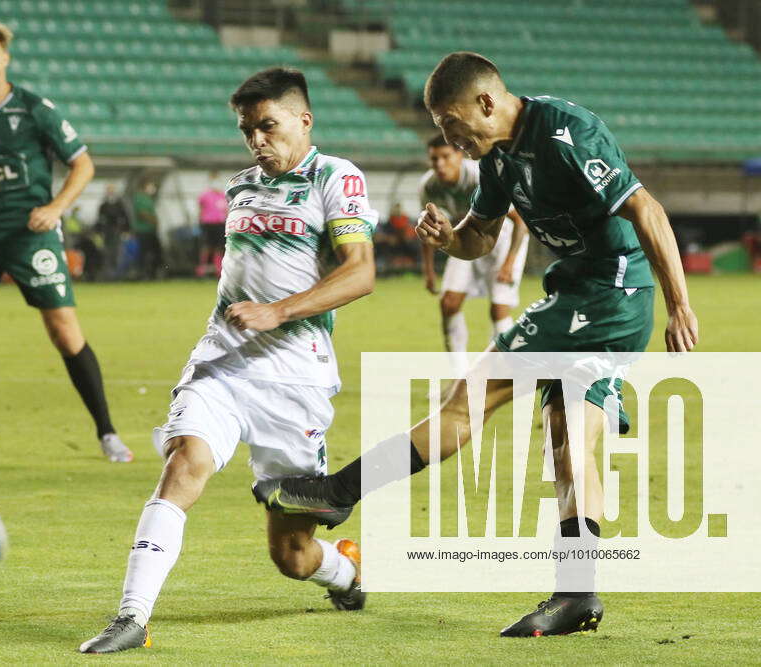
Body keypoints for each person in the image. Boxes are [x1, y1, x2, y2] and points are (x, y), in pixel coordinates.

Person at [254, 52, 698, 637]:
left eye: (449, 122)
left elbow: (645, 208)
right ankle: (577, 595)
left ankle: (337, 493)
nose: (447, 137)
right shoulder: (497, 159)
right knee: (568, 440)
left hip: (606, 294)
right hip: (593, 295)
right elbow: (480, 239)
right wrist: (448, 240)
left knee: (469, 402)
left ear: (486, 103)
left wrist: (680, 304)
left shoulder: (566, 133)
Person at [79, 67, 378, 654]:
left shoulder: (334, 179)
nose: (257, 141)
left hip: (295, 379)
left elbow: (360, 272)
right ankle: (131, 617)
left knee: (291, 555)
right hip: (221, 362)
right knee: (185, 463)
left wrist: (279, 310)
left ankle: (345, 573)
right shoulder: (242, 187)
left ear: (303, 120)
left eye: (268, 126)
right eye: (248, 131)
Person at [0, 21, 131, 464]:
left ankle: (107, 433)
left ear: (6, 60)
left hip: (29, 233)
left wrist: (56, 209)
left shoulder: (35, 109)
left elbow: (83, 166)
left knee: (64, 333)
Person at [420, 134, 529, 377]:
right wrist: (428, 270)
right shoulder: (429, 185)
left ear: (459, 155)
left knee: (498, 310)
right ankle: (460, 378)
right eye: (434, 159)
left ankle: (505, 375)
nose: (439, 164)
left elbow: (519, 220)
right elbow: (430, 230)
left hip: (503, 237)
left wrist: (509, 262)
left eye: (446, 157)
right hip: (466, 235)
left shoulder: (481, 175)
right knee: (448, 303)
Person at [195, 171, 227, 277]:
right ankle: (202, 268)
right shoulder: (205, 195)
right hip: (208, 223)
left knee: (220, 247)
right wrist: (199, 221)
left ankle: (218, 269)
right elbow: (200, 209)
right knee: (207, 246)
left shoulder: (223, 194)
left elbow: (226, 210)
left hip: (220, 224)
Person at [95, 183, 129, 279]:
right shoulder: (104, 205)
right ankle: (109, 274)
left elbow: (125, 218)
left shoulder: (120, 204)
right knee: (107, 253)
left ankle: (119, 274)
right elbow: (100, 220)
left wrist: (126, 230)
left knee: (118, 253)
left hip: (117, 232)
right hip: (107, 233)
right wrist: (98, 232)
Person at [132, 180, 162, 280]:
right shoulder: (139, 198)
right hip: (143, 231)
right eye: (150, 185)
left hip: (151, 230)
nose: (152, 188)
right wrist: (154, 220)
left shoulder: (148, 198)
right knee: (143, 253)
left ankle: (154, 273)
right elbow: (142, 213)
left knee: (156, 252)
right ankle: (142, 274)